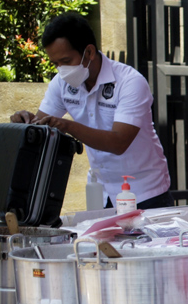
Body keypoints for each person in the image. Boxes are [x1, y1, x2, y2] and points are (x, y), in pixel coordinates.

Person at [10, 12, 173, 209]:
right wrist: (24, 124)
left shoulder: (130, 82)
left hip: (146, 192)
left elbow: (119, 142)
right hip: (102, 193)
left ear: (89, 52)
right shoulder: (61, 84)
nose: (61, 69)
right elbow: (41, 125)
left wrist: (67, 126)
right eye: (55, 64)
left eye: (66, 61)